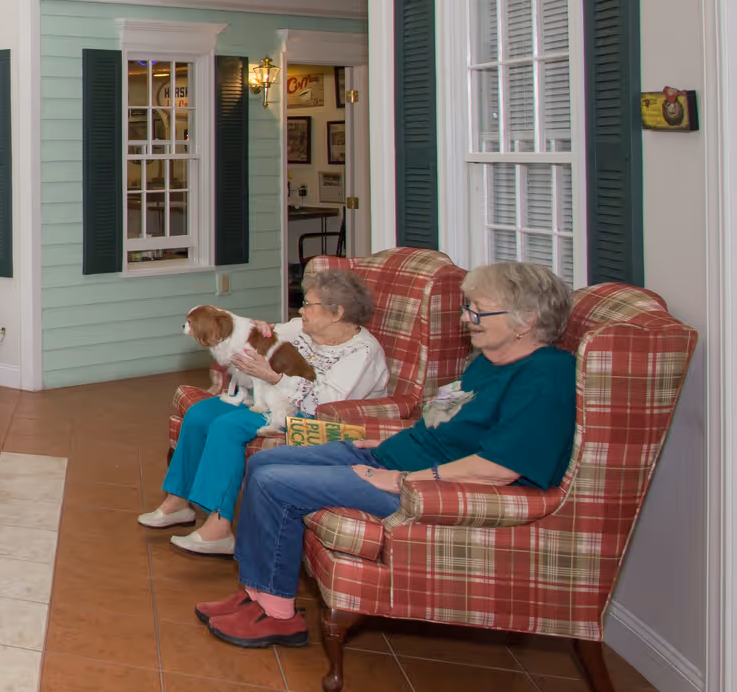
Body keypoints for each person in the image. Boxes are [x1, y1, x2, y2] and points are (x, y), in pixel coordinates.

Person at [197, 261, 576, 649]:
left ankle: (278, 615)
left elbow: (498, 468)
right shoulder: (488, 363)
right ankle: (256, 592)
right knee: (262, 461)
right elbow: (445, 423)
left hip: (420, 487)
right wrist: (389, 445)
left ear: (526, 320)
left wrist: (402, 480)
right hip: (393, 457)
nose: (467, 318)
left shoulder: (545, 377)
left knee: (276, 482)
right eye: (468, 308)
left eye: (478, 310)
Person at [142, 269, 390, 556]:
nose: (302, 310)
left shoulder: (362, 352)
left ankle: (219, 529)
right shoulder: (303, 328)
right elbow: (264, 331)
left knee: (228, 427)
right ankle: (177, 502)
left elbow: (328, 404)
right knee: (200, 414)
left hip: (315, 418)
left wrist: (275, 378)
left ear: (337, 313)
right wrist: (255, 328)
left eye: (309, 305)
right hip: (274, 396)